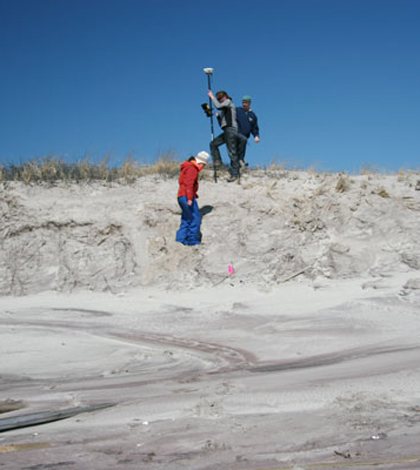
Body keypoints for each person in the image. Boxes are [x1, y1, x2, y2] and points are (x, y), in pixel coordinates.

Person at [175, 151, 209, 246]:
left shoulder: (187, 166)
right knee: (195, 218)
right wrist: (190, 198)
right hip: (186, 196)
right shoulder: (192, 168)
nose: (202, 167)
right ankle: (192, 240)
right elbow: (189, 184)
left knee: (186, 218)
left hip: (181, 196)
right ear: (199, 162)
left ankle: (180, 239)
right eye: (203, 165)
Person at [208, 90, 240, 182]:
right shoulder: (224, 110)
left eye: (220, 98)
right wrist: (218, 116)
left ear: (225, 96)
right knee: (213, 144)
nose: (220, 100)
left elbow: (217, 106)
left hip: (231, 130)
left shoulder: (229, 102)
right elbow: (222, 125)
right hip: (226, 130)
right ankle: (218, 163)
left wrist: (212, 97)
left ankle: (235, 174)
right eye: (218, 98)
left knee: (231, 152)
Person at [236, 95, 260, 167]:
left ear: (249, 103)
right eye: (243, 102)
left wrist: (256, 136)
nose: (244, 104)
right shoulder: (238, 110)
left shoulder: (253, 115)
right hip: (236, 134)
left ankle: (240, 162)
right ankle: (238, 162)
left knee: (242, 148)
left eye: (246, 102)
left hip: (245, 136)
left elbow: (254, 127)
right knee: (235, 150)